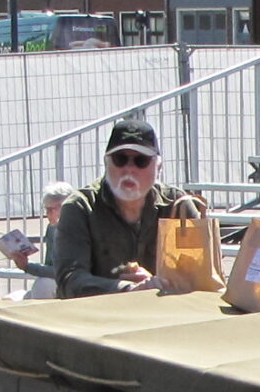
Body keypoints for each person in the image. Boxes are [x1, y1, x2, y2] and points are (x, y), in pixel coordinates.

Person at [50, 119, 205, 297]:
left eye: (141, 161)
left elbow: (199, 277)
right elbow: (69, 280)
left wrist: (157, 282)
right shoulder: (80, 207)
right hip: (100, 318)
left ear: (158, 167)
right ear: (106, 163)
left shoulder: (179, 207)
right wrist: (128, 289)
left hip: (166, 317)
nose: (129, 169)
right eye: (120, 159)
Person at [7, 182, 77, 298]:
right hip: (60, 284)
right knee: (11, 298)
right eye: (46, 209)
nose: (47, 214)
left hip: (76, 286)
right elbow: (49, 264)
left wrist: (28, 266)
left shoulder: (78, 229)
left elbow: (63, 272)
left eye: (51, 209)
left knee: (43, 284)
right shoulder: (52, 228)